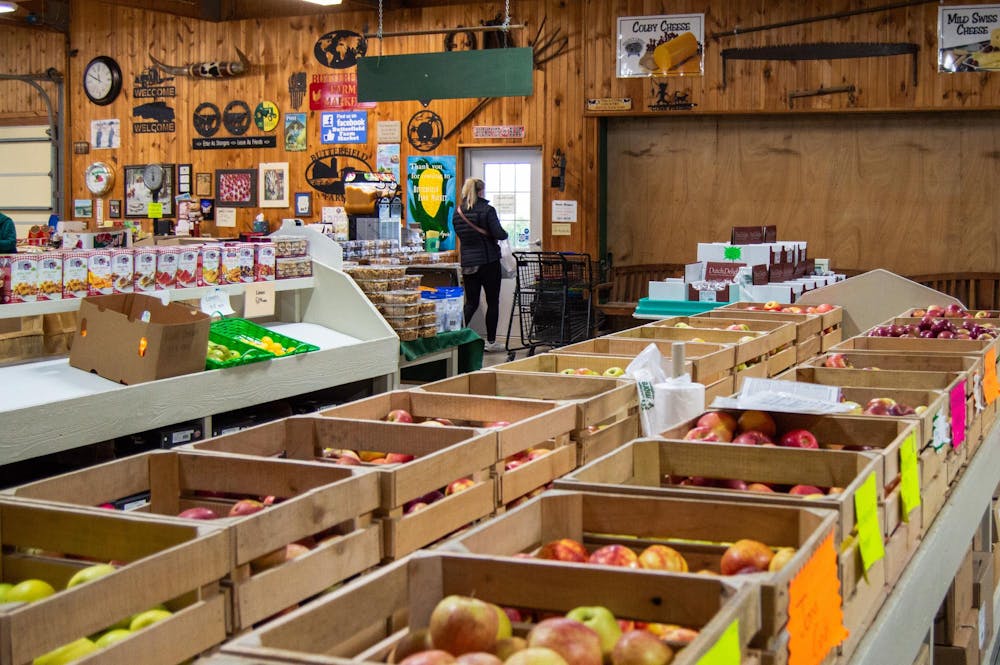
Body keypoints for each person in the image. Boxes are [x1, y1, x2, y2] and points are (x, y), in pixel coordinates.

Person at [454, 178, 508, 352]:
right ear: (481, 191)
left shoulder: (458, 212)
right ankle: (491, 342)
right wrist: (504, 233)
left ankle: (456, 337)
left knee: (471, 303)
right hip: (488, 262)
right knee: (492, 301)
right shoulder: (487, 210)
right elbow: (499, 234)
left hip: (468, 263)